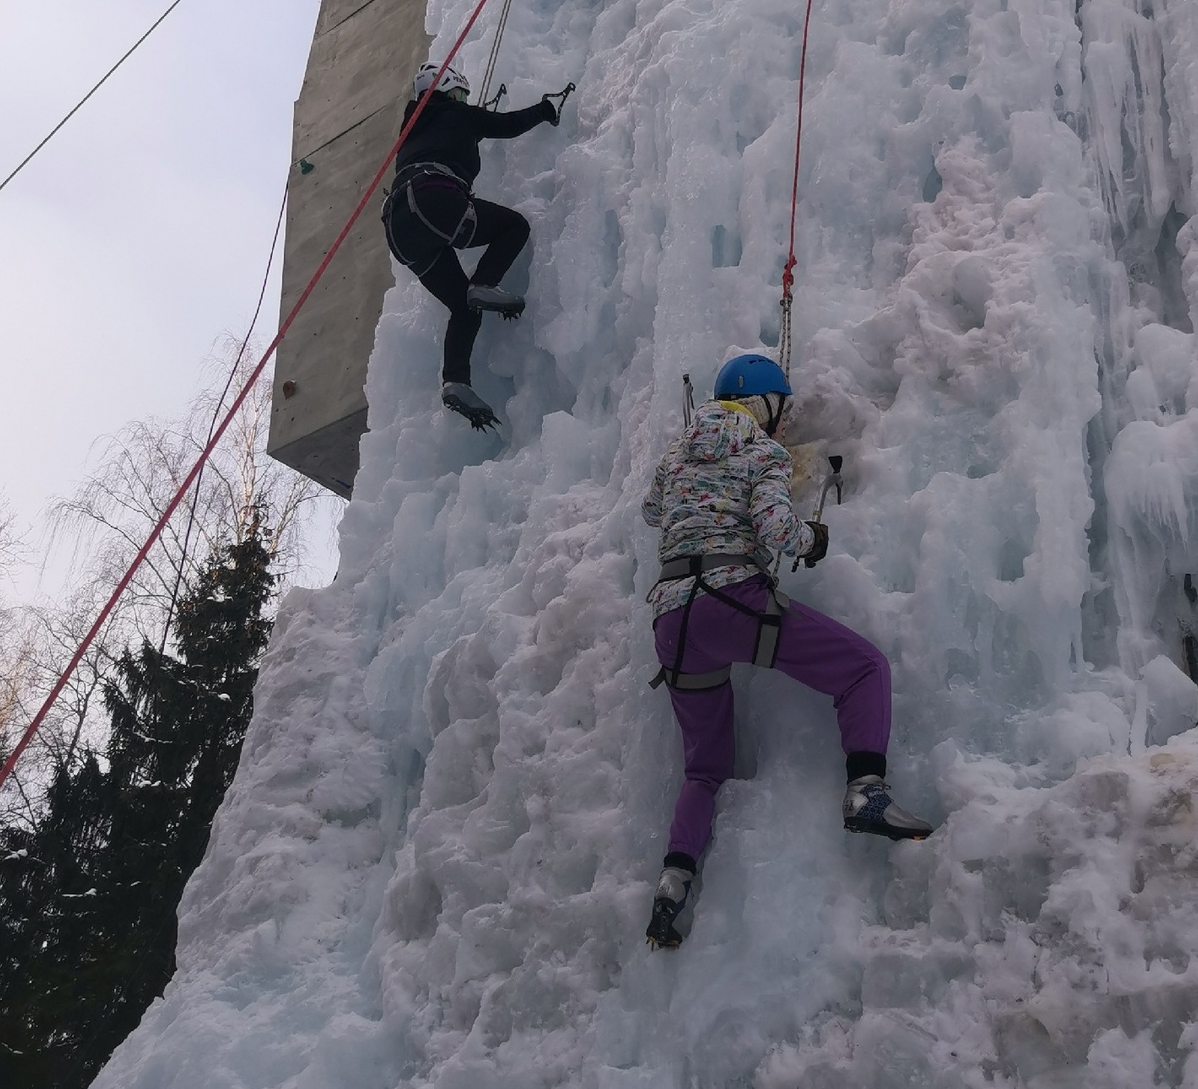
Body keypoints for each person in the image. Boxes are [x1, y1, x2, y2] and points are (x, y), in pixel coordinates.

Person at [640, 352, 933, 949]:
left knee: (704, 766)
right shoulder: (761, 452)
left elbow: (652, 511)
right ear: (765, 404)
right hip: (730, 598)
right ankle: (865, 791)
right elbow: (776, 529)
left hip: (672, 619)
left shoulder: (674, 458)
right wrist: (812, 538)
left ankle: (675, 879)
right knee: (863, 669)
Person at [381, 58, 570, 430]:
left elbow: (460, 136)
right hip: (434, 199)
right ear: (445, 90)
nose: (463, 98)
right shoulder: (456, 113)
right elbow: (508, 125)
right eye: (459, 92)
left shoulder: (412, 132)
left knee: (464, 307)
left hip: (400, 229)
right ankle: (485, 282)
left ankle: (456, 381)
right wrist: (547, 109)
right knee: (514, 226)